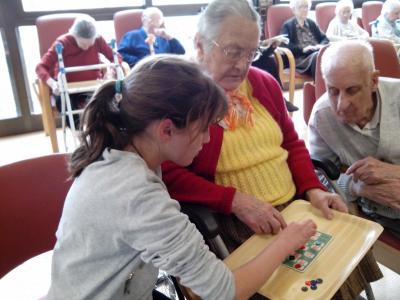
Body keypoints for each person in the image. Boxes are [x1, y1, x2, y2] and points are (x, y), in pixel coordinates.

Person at [46, 54, 317, 300]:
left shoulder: (121, 149)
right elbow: (225, 291)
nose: (209, 138)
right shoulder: (137, 194)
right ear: (166, 130)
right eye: (203, 129)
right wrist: (286, 242)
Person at [162, 1, 382, 299]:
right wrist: (234, 200)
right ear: (200, 44)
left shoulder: (263, 83)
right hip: (237, 220)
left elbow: (292, 143)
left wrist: (312, 189)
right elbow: (167, 174)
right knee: (304, 283)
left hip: (295, 204)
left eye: (250, 52)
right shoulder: (180, 95)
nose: (242, 64)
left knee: (342, 251)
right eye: (232, 51)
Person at [308, 40, 400, 239]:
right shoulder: (322, 117)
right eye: (332, 90)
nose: (341, 105)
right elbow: (319, 173)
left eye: (352, 90)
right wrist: (356, 187)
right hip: (371, 212)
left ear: (374, 81)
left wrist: (395, 172)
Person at [36, 15, 120, 128]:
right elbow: (40, 67)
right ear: (74, 36)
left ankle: (103, 131)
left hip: (92, 85)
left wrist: (111, 69)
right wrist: (52, 83)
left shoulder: (98, 40)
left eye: (90, 43)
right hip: (68, 88)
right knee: (63, 102)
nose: (87, 47)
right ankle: (79, 133)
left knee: (108, 98)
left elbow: (115, 57)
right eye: (83, 44)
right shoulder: (62, 43)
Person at [118, 7, 185, 67]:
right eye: (152, 19)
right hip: (142, 72)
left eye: (158, 20)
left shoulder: (164, 37)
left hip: (165, 71)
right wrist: (142, 62)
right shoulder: (132, 36)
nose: (155, 23)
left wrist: (170, 38)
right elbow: (121, 54)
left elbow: (180, 53)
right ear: (144, 20)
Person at [280, 0, 329, 79]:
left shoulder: (311, 23)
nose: (304, 9)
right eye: (301, 7)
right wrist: (303, 49)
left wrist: (320, 46)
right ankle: (317, 88)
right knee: (318, 57)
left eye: (306, 6)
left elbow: (325, 38)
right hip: (300, 58)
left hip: (316, 52)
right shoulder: (288, 25)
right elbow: (284, 45)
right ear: (293, 10)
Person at [252, 35, 300, 112]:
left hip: (251, 56)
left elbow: (258, 49)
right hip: (242, 59)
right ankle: (280, 99)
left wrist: (272, 47)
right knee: (264, 60)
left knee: (269, 60)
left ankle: (280, 96)